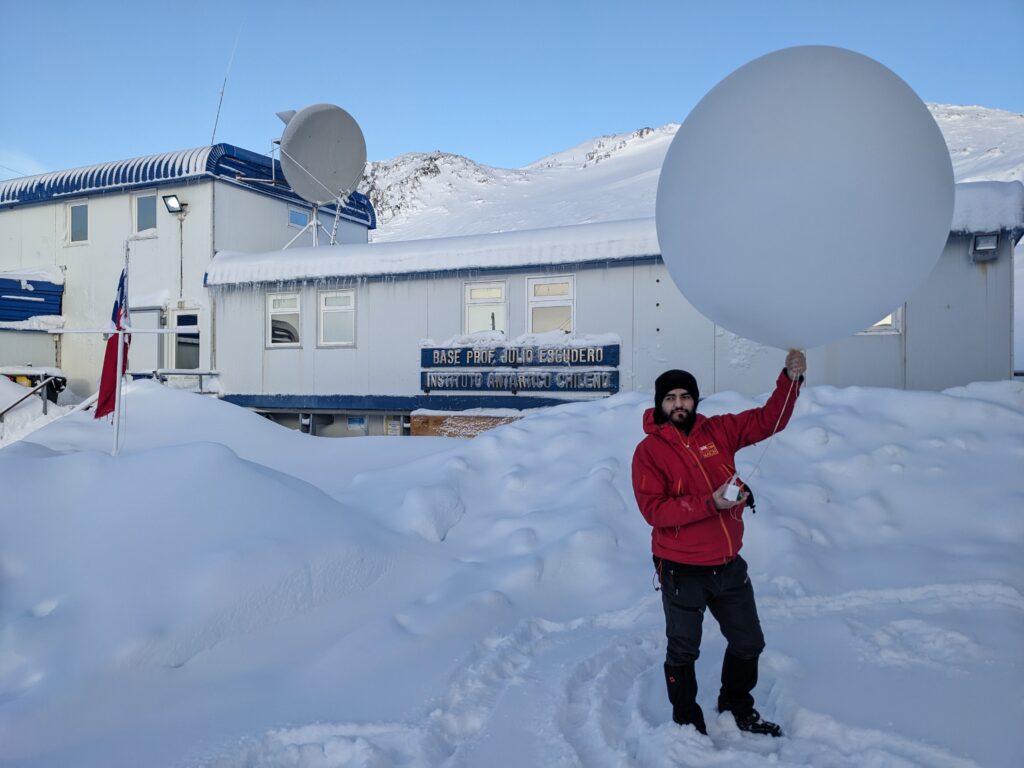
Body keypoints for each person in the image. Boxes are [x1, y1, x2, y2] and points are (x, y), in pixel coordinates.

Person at [631, 350, 806, 737]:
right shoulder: (649, 452)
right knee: (684, 649)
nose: (679, 404)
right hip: (681, 568)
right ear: (659, 404)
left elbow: (767, 420)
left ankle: (736, 705)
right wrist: (710, 503)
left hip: (727, 564)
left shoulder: (719, 431)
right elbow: (655, 511)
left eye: (685, 397)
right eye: (670, 398)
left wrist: (789, 380)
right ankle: (686, 721)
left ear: (695, 400)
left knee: (749, 642)